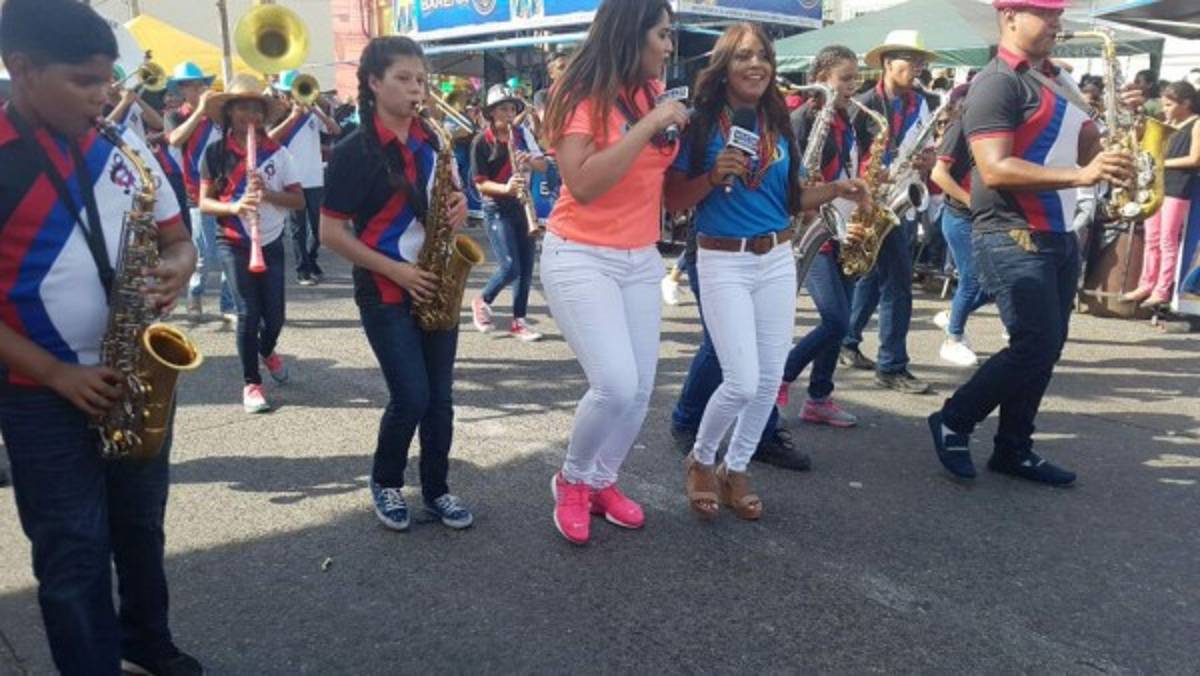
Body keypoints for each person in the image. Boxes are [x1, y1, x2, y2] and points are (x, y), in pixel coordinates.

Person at [0, 1, 203, 672]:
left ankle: (146, 640)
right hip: (41, 388)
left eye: (107, 79)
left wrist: (174, 272)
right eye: (85, 81)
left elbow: (178, 241)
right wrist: (57, 374)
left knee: (141, 529)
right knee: (73, 551)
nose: (104, 95)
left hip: (134, 373)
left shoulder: (121, 144)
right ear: (20, 68)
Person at [928, 0, 1139, 486]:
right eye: (1044, 14)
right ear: (1009, 18)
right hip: (1011, 229)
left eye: (1057, 15)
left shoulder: (1054, 81)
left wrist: (1112, 147)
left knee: (1048, 346)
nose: (1056, 23)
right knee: (1034, 343)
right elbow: (996, 168)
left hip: (1059, 229)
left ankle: (1014, 448)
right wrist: (1083, 174)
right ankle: (955, 419)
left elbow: (1086, 147)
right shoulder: (999, 81)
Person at [665, 26, 867, 521]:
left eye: (764, 57)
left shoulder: (776, 119)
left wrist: (839, 187)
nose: (756, 65)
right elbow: (672, 202)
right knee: (739, 379)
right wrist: (712, 177)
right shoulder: (699, 122)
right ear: (724, 67)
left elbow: (793, 199)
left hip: (777, 257)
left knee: (769, 377)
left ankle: (736, 469)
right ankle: (702, 460)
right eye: (743, 57)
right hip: (722, 258)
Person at [539, 0, 688, 544]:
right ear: (633, 34)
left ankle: (603, 480)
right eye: (664, 35)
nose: (669, 47)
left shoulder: (652, 91)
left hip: (640, 255)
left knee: (643, 386)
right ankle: (572, 480)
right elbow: (582, 182)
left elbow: (663, 184)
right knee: (615, 383)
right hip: (580, 253)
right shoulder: (579, 95)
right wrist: (650, 124)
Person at [320, 36, 475, 533]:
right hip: (386, 287)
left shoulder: (433, 142)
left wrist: (459, 208)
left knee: (441, 399)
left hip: (434, 280)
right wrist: (396, 271)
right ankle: (386, 480)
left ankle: (437, 489)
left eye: (420, 80)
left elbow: (450, 205)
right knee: (411, 395)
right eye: (404, 79)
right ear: (373, 83)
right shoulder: (353, 151)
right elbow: (329, 233)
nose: (416, 90)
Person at [839, 29, 937, 395]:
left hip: (900, 201)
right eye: (910, 61)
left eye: (920, 62)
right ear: (886, 63)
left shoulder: (922, 104)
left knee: (873, 279)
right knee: (896, 284)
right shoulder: (862, 105)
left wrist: (928, 159)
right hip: (871, 199)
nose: (917, 68)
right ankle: (891, 365)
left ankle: (847, 340)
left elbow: (926, 146)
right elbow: (846, 155)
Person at [199, 75, 303, 413]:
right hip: (232, 239)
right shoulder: (214, 154)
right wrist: (235, 206)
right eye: (242, 108)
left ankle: (266, 349)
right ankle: (251, 383)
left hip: (270, 240)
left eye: (256, 109)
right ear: (229, 112)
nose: (250, 116)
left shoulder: (278, 153)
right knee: (247, 312)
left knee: (275, 316)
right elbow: (204, 202)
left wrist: (267, 193)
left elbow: (299, 201)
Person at [780, 45, 871, 428]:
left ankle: (819, 397)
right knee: (835, 320)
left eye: (855, 78)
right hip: (811, 228)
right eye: (845, 79)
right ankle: (782, 377)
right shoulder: (802, 118)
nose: (852, 86)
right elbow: (794, 179)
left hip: (842, 225)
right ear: (822, 78)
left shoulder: (845, 119)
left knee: (844, 318)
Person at [469, 84, 547, 341]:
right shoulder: (482, 141)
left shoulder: (523, 133)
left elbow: (543, 164)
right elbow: (480, 183)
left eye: (512, 108)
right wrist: (505, 187)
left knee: (525, 268)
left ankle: (519, 321)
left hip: (522, 206)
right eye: (503, 108)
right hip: (496, 208)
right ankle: (482, 299)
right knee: (510, 265)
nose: (509, 112)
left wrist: (528, 161)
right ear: (491, 112)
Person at [167, 61, 235, 323]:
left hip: (226, 190)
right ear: (182, 89)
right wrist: (200, 112)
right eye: (191, 86)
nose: (197, 90)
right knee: (204, 255)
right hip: (196, 193)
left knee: (229, 250)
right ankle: (195, 295)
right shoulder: (177, 115)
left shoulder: (218, 116)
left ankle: (228, 304)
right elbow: (175, 139)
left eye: (200, 85)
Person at [1122, 81, 1200, 307]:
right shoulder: (1169, 123)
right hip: (1157, 184)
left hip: (1177, 187)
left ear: (1185, 103)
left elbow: (1195, 159)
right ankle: (1146, 283)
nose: (1164, 108)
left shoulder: (1196, 124)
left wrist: (1160, 163)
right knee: (1151, 238)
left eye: (1168, 104)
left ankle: (1162, 288)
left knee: (1167, 240)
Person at [929, 84, 991, 367]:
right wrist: (970, 200)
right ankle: (953, 337)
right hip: (960, 217)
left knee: (995, 283)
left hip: (983, 217)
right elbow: (939, 175)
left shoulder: (990, 129)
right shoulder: (960, 128)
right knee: (972, 279)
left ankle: (953, 317)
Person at [270, 70, 342, 286]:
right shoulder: (278, 115)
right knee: (298, 228)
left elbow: (335, 130)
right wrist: (292, 118)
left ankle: (311, 259)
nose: (293, 97)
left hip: (315, 177)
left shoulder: (313, 112)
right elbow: (269, 139)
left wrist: (316, 111)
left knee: (319, 228)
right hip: (291, 180)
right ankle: (303, 270)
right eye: (289, 93)